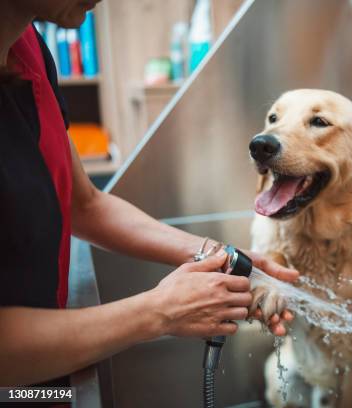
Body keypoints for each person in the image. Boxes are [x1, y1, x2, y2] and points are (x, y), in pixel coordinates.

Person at [0, 0, 297, 388]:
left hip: (38, 383)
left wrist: (216, 254)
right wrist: (158, 312)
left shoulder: (29, 49)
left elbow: (84, 203)